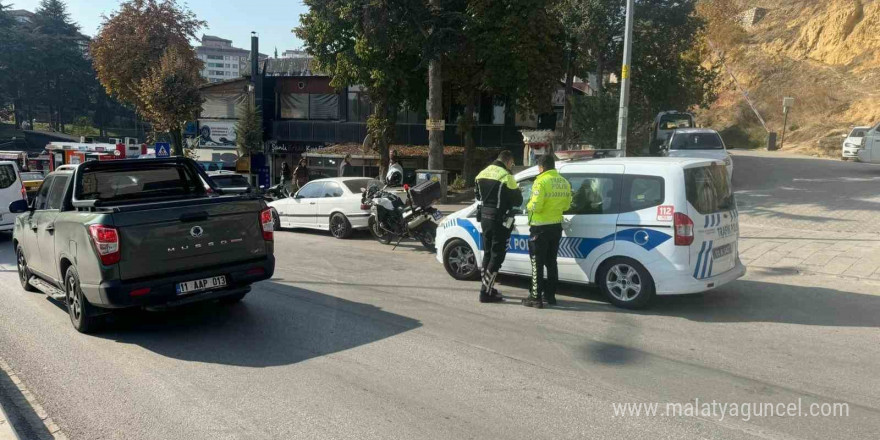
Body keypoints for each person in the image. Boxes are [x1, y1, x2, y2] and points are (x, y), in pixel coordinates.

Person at [523, 154, 571, 308]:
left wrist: (528, 205)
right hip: (556, 227)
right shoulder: (564, 182)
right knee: (551, 262)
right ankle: (550, 296)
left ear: (541, 167)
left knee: (537, 263)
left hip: (539, 227)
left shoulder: (540, 182)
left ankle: (535, 297)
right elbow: (567, 206)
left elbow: (536, 206)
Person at [474, 150, 522, 303]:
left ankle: (487, 286)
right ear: (508, 161)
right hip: (499, 220)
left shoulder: (481, 173)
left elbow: (478, 196)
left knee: (488, 253)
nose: (511, 166)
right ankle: (485, 293)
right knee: (497, 256)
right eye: (512, 164)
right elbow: (518, 201)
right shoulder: (507, 176)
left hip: (485, 218)